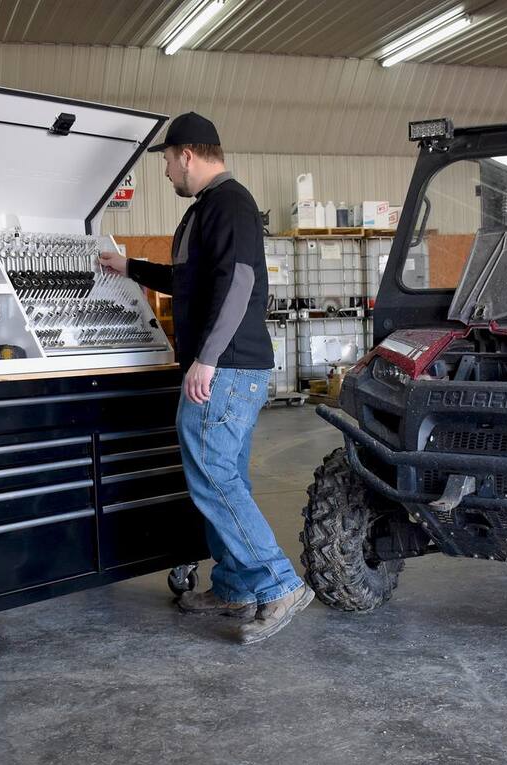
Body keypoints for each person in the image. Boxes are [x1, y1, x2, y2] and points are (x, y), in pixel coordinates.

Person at [99, 111, 313, 645]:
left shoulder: (231, 203)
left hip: (229, 367)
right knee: (224, 477)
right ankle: (237, 585)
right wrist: (131, 268)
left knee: (212, 476)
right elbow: (189, 280)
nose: (166, 172)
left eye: (167, 162)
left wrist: (207, 358)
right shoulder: (209, 208)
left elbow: (239, 284)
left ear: (186, 156)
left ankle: (278, 582)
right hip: (229, 365)